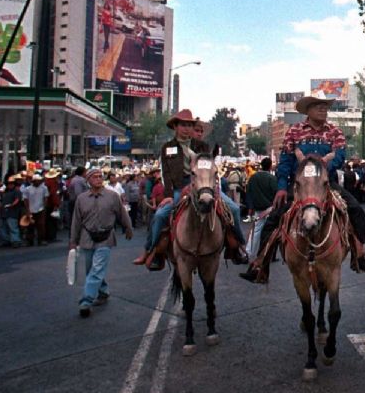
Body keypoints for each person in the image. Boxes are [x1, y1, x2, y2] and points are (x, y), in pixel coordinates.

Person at [240, 96, 365, 281]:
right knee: (273, 219)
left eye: (325, 107)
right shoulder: (294, 131)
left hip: (326, 183)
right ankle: (260, 263)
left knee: (356, 210)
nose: (323, 109)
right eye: (318, 106)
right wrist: (281, 187)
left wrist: (323, 165)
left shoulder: (335, 132)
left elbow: (340, 156)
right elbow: (285, 161)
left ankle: (359, 252)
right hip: (299, 185)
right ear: (308, 110)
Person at [134, 109, 247, 267]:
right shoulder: (167, 147)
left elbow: (208, 169)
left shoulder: (202, 146)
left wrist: (212, 188)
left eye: (189, 125)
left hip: (203, 186)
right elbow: (166, 174)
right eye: (183, 125)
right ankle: (150, 251)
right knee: (159, 216)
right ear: (175, 126)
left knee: (233, 209)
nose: (186, 128)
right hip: (178, 189)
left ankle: (239, 246)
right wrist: (168, 195)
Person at [70, 168, 133, 318]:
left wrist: (128, 227)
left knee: (97, 268)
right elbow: (76, 221)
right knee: (91, 269)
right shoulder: (81, 199)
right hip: (87, 237)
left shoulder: (112, 196)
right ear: (88, 181)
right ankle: (103, 291)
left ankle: (86, 301)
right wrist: (73, 240)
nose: (98, 179)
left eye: (100, 176)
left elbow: (122, 213)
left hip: (106, 237)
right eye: (95, 177)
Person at [244, 156, 278, 257]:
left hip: (258, 209)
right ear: (270, 166)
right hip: (270, 209)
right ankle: (268, 253)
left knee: (255, 232)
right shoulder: (272, 178)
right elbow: (275, 193)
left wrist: (250, 207)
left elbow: (248, 193)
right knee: (272, 232)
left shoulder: (253, 177)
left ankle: (250, 252)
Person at [22, 174, 50, 245]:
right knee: (30, 225)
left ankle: (41, 239)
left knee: (41, 225)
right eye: (37, 181)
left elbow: (45, 198)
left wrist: (44, 207)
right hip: (31, 209)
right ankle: (29, 240)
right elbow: (25, 199)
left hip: (40, 209)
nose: (38, 182)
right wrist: (27, 210)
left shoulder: (44, 188)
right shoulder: (28, 189)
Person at [0, 174, 24, 248]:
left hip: (12, 212)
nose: (10, 185)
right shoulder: (5, 192)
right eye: (9, 184)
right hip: (3, 212)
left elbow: (17, 200)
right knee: (3, 227)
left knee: (13, 227)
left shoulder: (17, 191)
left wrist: (11, 205)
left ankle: (15, 241)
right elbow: (1, 201)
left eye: (11, 184)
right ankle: (7, 240)